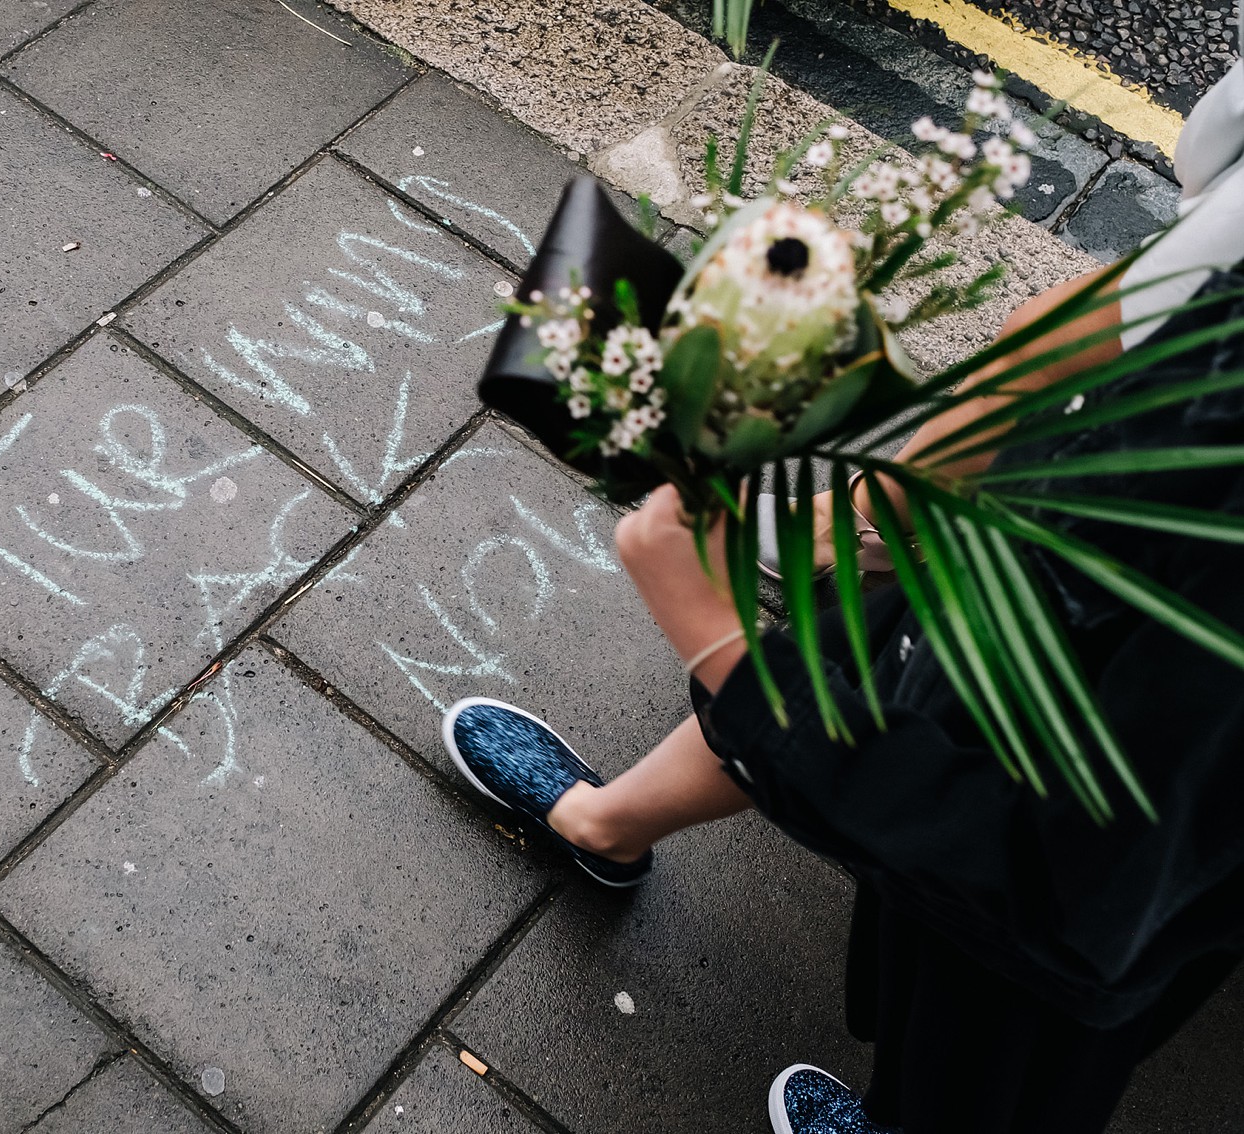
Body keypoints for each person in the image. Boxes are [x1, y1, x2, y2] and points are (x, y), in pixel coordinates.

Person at [440, 18, 1244, 1134]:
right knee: (866, 655)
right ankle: (603, 825)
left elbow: (1066, 878)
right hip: (1077, 615)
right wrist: (913, 478)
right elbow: (1158, 284)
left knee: (996, 1051)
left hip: (1090, 868)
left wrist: (718, 641)